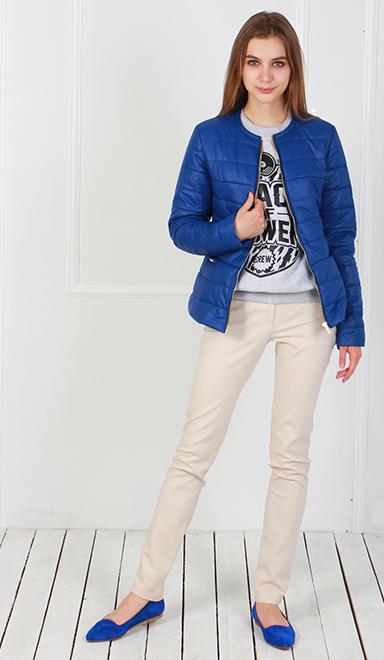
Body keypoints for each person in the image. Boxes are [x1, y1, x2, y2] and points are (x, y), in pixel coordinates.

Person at [86, 10, 365, 650]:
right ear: (239, 67)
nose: (265, 75)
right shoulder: (210, 137)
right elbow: (181, 227)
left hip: (310, 316)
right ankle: (145, 591)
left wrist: (352, 325)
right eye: (254, 61)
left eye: (278, 62)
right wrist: (233, 231)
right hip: (235, 310)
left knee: (289, 454)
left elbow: (342, 237)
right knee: (194, 450)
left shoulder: (321, 139)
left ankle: (269, 596)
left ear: (292, 70)